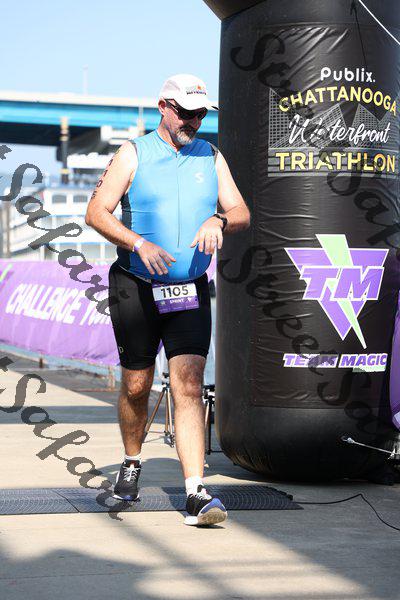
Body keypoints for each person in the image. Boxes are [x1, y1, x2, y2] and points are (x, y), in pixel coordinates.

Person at [85, 73, 250, 526]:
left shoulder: (211, 155)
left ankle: (196, 491)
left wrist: (219, 220)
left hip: (189, 288)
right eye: (186, 112)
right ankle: (131, 460)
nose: (193, 121)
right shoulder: (133, 153)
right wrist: (138, 243)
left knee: (190, 384)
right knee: (137, 385)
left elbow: (241, 210)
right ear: (164, 106)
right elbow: (96, 212)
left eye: (200, 114)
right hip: (135, 285)